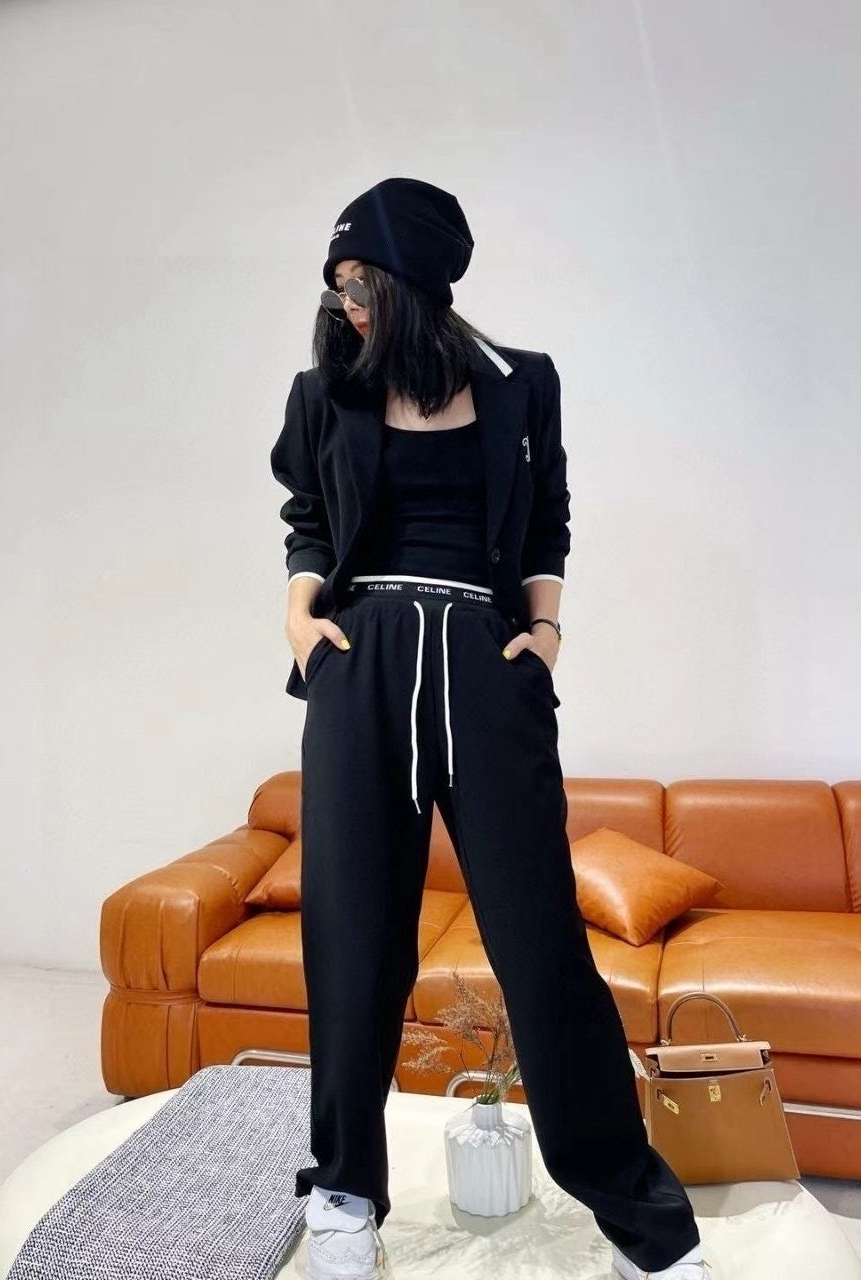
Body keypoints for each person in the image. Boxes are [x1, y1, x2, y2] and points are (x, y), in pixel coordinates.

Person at [270, 178, 710, 1280]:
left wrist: (546, 635)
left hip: (485, 660)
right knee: (351, 940)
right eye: (335, 286)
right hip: (363, 658)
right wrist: (301, 615)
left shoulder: (524, 384)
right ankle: (344, 1196)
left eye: (361, 283)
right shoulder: (324, 392)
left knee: (542, 947)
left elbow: (547, 515)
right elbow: (307, 516)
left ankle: (646, 1228)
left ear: (415, 283)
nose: (345, 305)